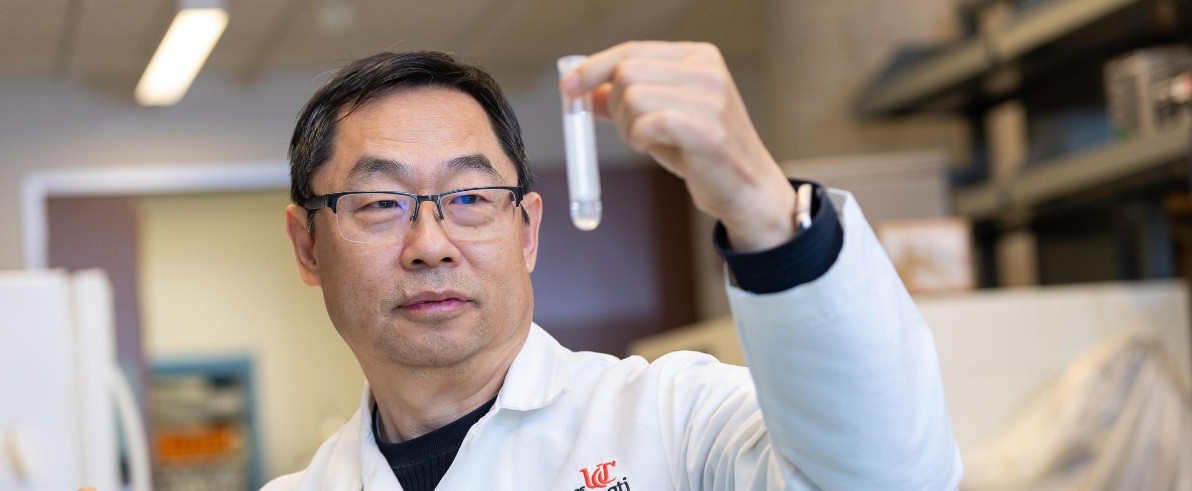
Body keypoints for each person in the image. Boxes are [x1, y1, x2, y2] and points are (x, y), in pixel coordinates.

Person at [266, 41, 963, 490]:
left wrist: (761, 205)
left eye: (471, 196)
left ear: (528, 231)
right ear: (308, 247)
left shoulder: (676, 420)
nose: (431, 242)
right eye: (379, 202)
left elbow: (892, 476)